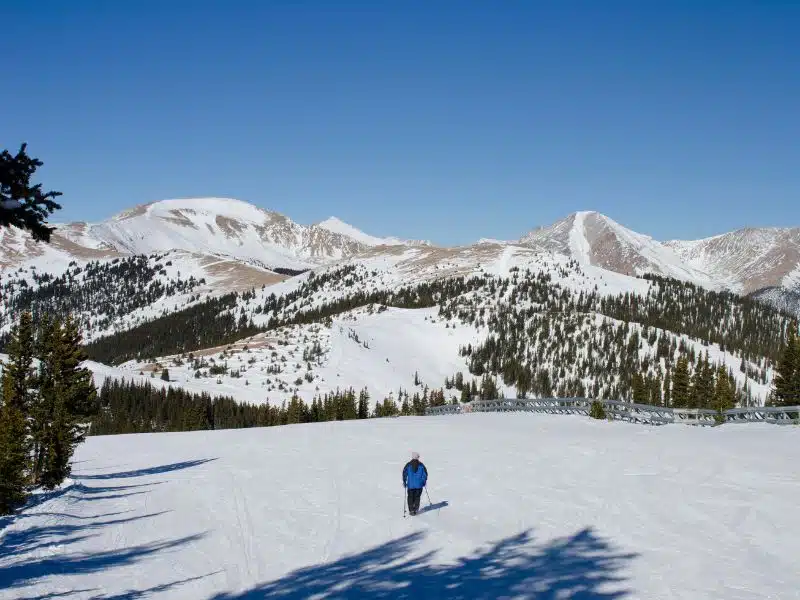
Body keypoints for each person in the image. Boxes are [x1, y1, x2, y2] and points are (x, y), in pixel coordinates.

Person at [402, 451, 428, 516]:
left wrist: (404, 481)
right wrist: (423, 481)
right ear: (417, 457)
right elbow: (425, 474)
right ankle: (416, 509)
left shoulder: (408, 465)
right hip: (419, 485)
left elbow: (404, 473)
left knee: (410, 497)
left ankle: (411, 510)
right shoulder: (421, 465)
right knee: (417, 497)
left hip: (410, 485)